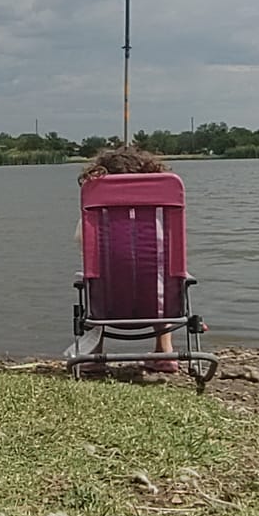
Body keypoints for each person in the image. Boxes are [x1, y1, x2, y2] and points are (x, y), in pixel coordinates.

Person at [78, 143, 178, 369]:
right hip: (158, 306)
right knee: (164, 277)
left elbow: (81, 244)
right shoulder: (157, 223)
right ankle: (165, 352)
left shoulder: (97, 220)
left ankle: (94, 354)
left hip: (108, 305)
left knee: (94, 277)